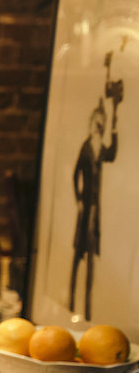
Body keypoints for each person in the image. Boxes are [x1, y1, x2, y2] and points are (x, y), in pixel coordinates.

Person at [69, 98, 118, 319]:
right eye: (97, 123)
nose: (98, 127)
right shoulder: (87, 147)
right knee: (78, 254)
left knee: (91, 255)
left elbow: (113, 153)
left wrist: (114, 122)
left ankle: (88, 312)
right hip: (86, 208)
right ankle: (71, 301)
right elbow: (75, 173)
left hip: (95, 211)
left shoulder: (100, 149)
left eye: (101, 124)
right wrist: (79, 199)